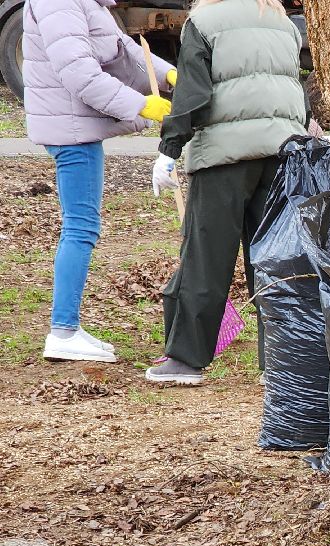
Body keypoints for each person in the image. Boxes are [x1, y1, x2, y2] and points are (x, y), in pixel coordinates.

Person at [145, 0, 306, 386]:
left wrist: (169, 150)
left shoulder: (204, 21)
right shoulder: (282, 21)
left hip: (223, 158)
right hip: (283, 154)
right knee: (276, 258)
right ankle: (283, 362)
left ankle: (186, 359)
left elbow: (194, 96)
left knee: (206, 257)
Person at [22, 0, 174, 363]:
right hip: (70, 129)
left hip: (75, 126)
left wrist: (170, 75)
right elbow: (80, 75)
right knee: (80, 227)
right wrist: (141, 105)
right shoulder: (59, 2)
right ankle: (63, 331)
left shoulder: (85, 3)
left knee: (81, 225)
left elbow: (128, 51)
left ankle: (66, 329)